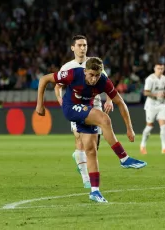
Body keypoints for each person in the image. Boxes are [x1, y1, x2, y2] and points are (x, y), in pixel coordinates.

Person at [36, 57, 147, 203]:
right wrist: (40, 105)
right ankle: (124, 158)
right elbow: (44, 79)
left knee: (91, 150)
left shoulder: (104, 82)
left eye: (97, 75)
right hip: (70, 108)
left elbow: (120, 103)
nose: (94, 79)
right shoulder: (73, 74)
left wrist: (129, 129)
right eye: (91, 75)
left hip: (86, 111)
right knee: (104, 119)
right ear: (85, 71)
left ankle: (95, 192)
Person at [54, 35, 114, 189]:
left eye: (85, 45)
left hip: (95, 104)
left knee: (94, 145)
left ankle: (80, 159)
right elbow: (58, 85)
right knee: (80, 138)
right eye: (79, 45)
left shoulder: (94, 64)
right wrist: (60, 100)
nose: (82, 48)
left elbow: (107, 83)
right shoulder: (68, 67)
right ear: (73, 48)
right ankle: (85, 177)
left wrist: (109, 99)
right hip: (77, 105)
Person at [140, 63, 165, 155]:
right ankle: (142, 145)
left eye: (162, 68)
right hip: (151, 105)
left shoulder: (164, 78)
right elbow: (146, 93)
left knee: (164, 125)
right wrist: (155, 95)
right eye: (158, 68)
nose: (160, 70)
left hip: (161, 104)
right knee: (149, 126)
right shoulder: (150, 79)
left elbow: (162, 89)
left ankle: (164, 148)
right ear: (154, 69)